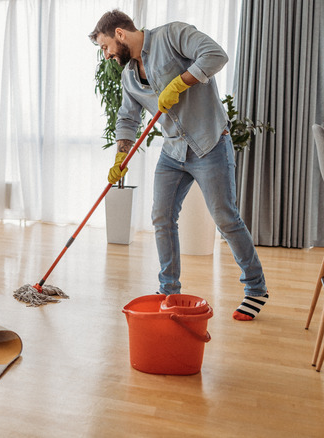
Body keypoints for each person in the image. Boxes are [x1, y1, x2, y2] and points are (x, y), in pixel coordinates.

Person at [89, 9, 269, 321]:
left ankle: (255, 288)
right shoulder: (129, 75)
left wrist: (180, 83)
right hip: (173, 151)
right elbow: (128, 118)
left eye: (105, 47)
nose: (105, 56)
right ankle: (168, 290)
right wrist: (121, 155)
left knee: (226, 219)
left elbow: (216, 55)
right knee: (161, 217)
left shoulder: (172, 35)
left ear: (119, 34)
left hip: (209, 142)